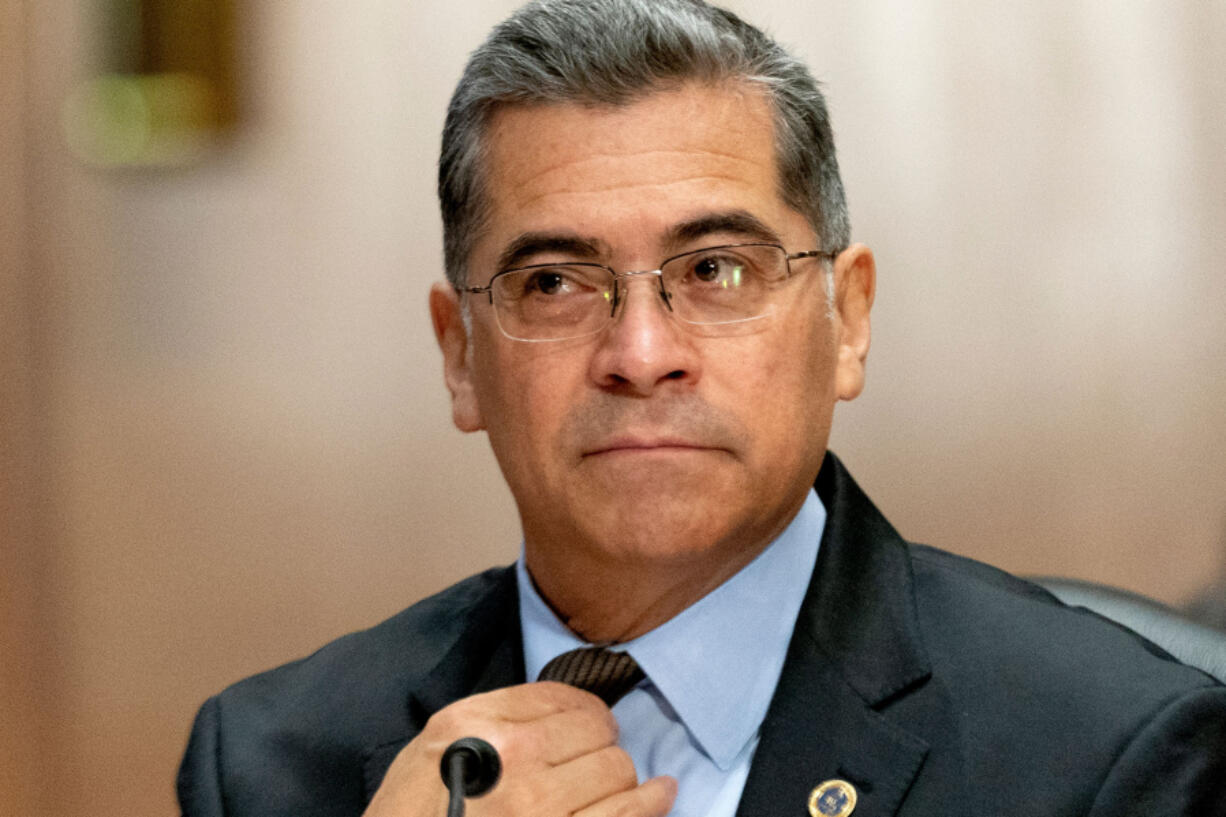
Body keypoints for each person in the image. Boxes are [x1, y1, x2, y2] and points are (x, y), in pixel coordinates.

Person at [177, 1, 1226, 815]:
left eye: (716, 269)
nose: (640, 354)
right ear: (459, 356)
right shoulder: (273, 761)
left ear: (846, 319)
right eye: (554, 282)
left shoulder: (1103, 753)